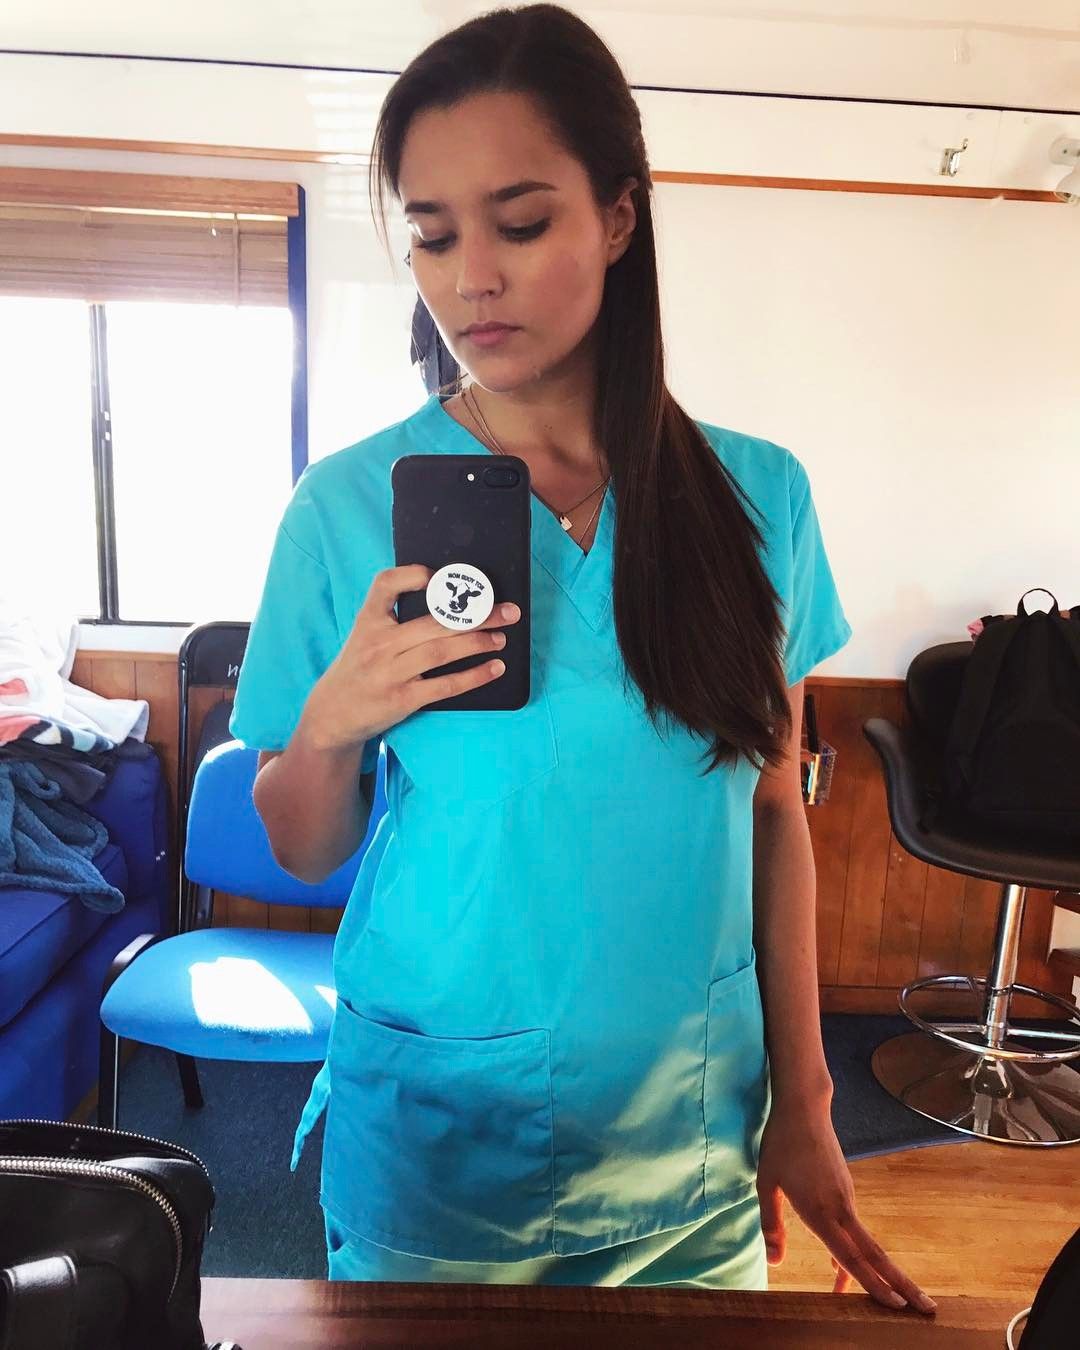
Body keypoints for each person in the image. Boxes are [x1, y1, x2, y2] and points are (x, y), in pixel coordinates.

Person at [229, 2, 936, 1313]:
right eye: (432, 234)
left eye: (520, 222)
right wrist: (330, 723)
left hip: (692, 1140)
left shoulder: (757, 497)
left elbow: (772, 810)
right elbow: (305, 847)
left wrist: (805, 1098)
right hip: (440, 1145)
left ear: (618, 217)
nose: (469, 279)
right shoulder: (346, 507)